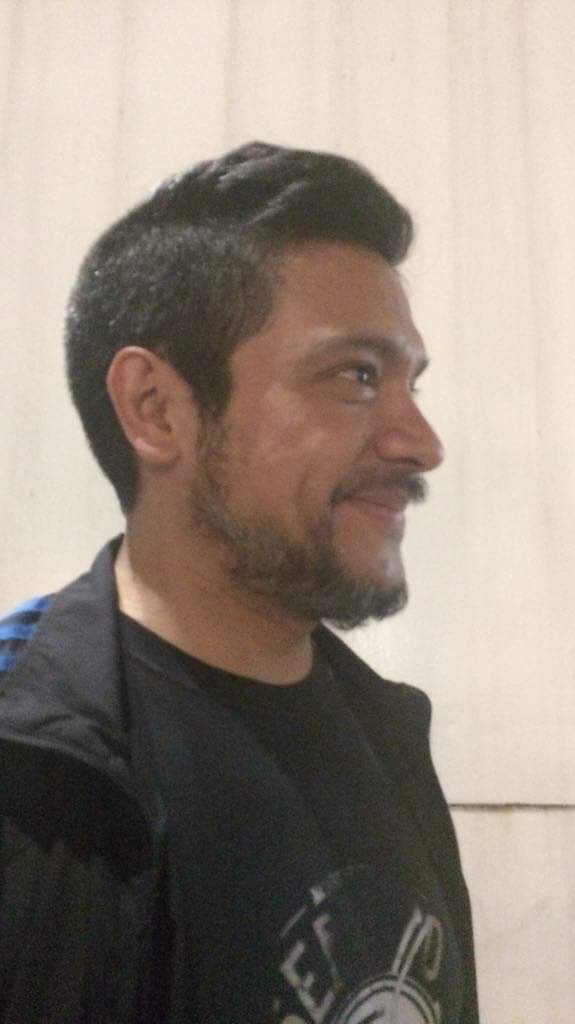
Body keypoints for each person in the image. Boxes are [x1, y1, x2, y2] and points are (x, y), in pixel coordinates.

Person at [0, 142, 479, 1023]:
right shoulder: (27, 776)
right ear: (156, 409)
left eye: (408, 382)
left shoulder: (389, 734)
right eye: (355, 376)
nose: (420, 443)